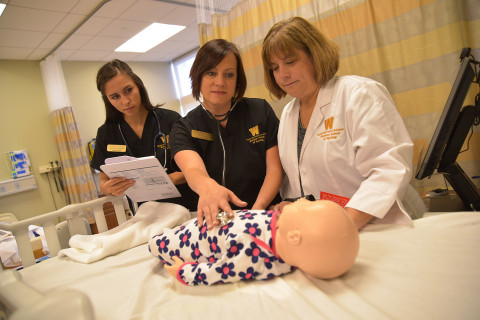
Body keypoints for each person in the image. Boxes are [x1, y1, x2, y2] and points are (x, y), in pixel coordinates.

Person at [261, 17, 424, 229]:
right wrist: (293, 205)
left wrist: (344, 223)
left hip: (380, 224)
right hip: (328, 228)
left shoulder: (358, 94)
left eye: (290, 62)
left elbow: (388, 170)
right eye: (275, 68)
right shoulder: (288, 114)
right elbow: (302, 180)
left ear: (314, 55)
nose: (282, 75)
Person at [170, 39, 283, 229]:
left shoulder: (260, 111)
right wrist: (208, 187)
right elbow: (192, 170)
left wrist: (257, 212)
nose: (220, 82)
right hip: (219, 221)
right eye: (211, 73)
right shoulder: (184, 128)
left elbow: (275, 169)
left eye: (229, 74)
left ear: (237, 80)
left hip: (266, 211)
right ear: (198, 76)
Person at [148, 199, 359, 285]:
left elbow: (220, 272)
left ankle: (157, 241)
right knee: (182, 224)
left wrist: (183, 272)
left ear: (294, 236)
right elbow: (244, 217)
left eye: (306, 206)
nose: (303, 200)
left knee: (158, 243)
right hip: (215, 221)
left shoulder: (253, 254)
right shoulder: (279, 224)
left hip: (194, 242)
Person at [91, 59, 197, 211]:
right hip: (147, 214)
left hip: (187, 207)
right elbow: (103, 183)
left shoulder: (171, 120)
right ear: (107, 100)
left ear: (138, 86)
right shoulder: (106, 133)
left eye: (128, 90)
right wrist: (109, 189)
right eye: (115, 97)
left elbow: (195, 168)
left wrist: (164, 180)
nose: (125, 101)